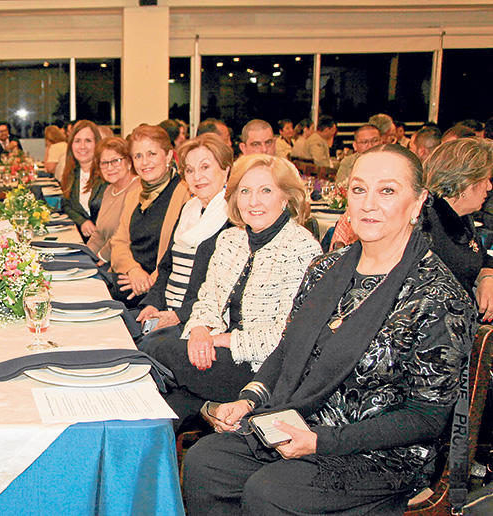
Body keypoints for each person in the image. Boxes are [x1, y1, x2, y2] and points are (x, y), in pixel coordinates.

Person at [182, 144, 473, 516]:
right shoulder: (325, 269)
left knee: (270, 490)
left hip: (381, 455)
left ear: (417, 203)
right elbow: (287, 352)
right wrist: (250, 400)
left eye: (387, 191)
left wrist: (321, 441)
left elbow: (425, 416)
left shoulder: (436, 296)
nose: (369, 203)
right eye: (358, 189)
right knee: (206, 461)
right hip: (301, 421)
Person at [144, 154, 320, 432]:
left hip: (259, 367)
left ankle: (204, 408)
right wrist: (200, 330)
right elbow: (207, 301)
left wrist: (219, 340)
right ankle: (202, 409)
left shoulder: (301, 250)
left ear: (285, 198)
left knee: (152, 350)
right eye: (245, 191)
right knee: (162, 412)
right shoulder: (230, 239)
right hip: (215, 355)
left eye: (266, 191)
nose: (253, 201)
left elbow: (286, 337)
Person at [135, 134, 234, 335]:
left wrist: (177, 316)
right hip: (166, 312)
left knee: (141, 348)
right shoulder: (189, 210)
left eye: (205, 167)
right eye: (190, 170)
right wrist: (153, 304)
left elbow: (223, 291)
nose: (197, 176)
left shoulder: (234, 219)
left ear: (225, 170)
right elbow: (165, 269)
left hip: (197, 324)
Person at [109, 124, 191, 305]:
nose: (144, 162)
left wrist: (149, 282)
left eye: (152, 154)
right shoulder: (133, 196)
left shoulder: (184, 194)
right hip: (129, 281)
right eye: (138, 156)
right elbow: (119, 243)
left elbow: (178, 252)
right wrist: (133, 271)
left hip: (161, 290)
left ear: (169, 155)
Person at [421, 137, 493, 320]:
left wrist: (487, 278)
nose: (490, 186)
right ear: (466, 183)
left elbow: (483, 258)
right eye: (486, 179)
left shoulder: (462, 219)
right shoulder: (425, 221)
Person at [86, 137, 140, 261]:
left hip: (124, 262)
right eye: (104, 163)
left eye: (115, 161)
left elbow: (122, 234)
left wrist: (101, 257)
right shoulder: (109, 190)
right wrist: (84, 257)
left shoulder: (137, 189)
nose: (109, 168)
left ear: (129, 163)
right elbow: (99, 235)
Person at [60, 120, 105, 238]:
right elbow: (66, 204)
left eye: (88, 141)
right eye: (77, 141)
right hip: (81, 239)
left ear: (97, 144)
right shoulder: (71, 173)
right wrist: (82, 221)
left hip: (106, 241)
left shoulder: (107, 173)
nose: (82, 146)